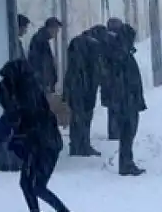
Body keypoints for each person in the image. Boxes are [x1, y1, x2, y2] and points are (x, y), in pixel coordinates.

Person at [0, 58, 80, 212]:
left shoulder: (21, 92)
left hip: (39, 144)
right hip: (46, 142)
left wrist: (0, 136)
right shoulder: (32, 87)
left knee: (34, 185)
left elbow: (13, 114)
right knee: (29, 183)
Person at [105, 22, 146, 176]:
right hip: (126, 101)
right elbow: (122, 81)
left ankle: (127, 162)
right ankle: (126, 164)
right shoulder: (120, 56)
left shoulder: (122, 54)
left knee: (129, 133)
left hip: (127, 100)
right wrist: (127, 99)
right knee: (127, 133)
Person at [62, 25, 108, 157]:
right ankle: (82, 145)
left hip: (75, 85)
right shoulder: (92, 45)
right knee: (84, 117)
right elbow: (95, 68)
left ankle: (77, 145)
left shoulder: (77, 41)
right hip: (85, 87)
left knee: (77, 116)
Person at [27, 17, 62, 92]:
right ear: (51, 28)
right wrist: (46, 82)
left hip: (42, 82)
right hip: (42, 83)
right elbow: (41, 63)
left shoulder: (42, 39)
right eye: (57, 29)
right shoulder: (40, 40)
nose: (57, 32)